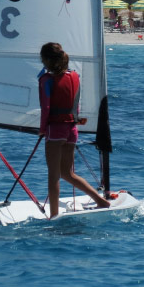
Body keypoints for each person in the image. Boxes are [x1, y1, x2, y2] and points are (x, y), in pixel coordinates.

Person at [38, 42, 111, 217]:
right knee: (67, 173)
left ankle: (53, 215)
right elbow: (75, 106)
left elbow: (46, 109)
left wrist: (42, 130)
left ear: (46, 60)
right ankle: (101, 201)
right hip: (71, 129)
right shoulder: (75, 76)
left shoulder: (45, 80)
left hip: (55, 130)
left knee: (53, 176)